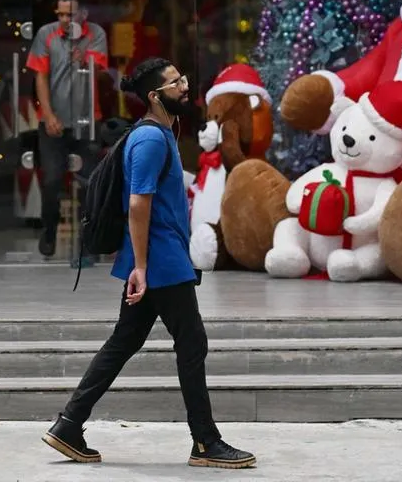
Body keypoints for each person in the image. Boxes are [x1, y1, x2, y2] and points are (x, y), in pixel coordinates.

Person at [42, 56, 256, 470]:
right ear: (155, 96)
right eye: (177, 83)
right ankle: (206, 442)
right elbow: (138, 205)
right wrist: (140, 266)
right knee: (191, 343)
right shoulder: (152, 141)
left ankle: (69, 424)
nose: (186, 86)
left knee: (125, 341)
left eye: (183, 78)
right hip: (159, 260)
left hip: (159, 256)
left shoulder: (162, 133)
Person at [26, 0, 109, 258]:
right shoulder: (46, 34)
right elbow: (40, 77)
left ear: (82, 14)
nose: (64, 19)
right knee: (51, 179)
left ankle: (89, 240)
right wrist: (48, 115)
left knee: (90, 182)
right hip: (54, 120)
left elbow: (100, 71)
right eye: (60, 14)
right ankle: (49, 230)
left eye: (69, 15)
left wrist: (85, 60)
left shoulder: (95, 34)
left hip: (87, 120)